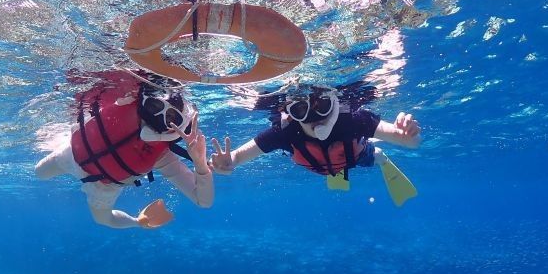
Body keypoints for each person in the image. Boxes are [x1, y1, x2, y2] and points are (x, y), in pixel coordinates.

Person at [35, 70, 213, 229]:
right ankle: (61, 140)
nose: (158, 116)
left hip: (103, 187)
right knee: (39, 172)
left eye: (171, 118)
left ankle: (138, 221)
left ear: (176, 128)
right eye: (155, 106)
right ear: (145, 100)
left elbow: (203, 201)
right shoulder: (128, 98)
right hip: (72, 154)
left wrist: (200, 164)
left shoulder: (163, 156)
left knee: (105, 220)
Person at [208, 84, 422, 206]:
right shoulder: (285, 133)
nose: (314, 117)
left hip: (355, 156)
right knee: (346, 155)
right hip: (322, 163)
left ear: (334, 101)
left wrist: (408, 135)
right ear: (291, 113)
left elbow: (408, 142)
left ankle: (380, 156)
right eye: (301, 110)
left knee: (370, 155)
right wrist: (226, 164)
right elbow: (235, 158)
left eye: (323, 105)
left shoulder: (354, 121)